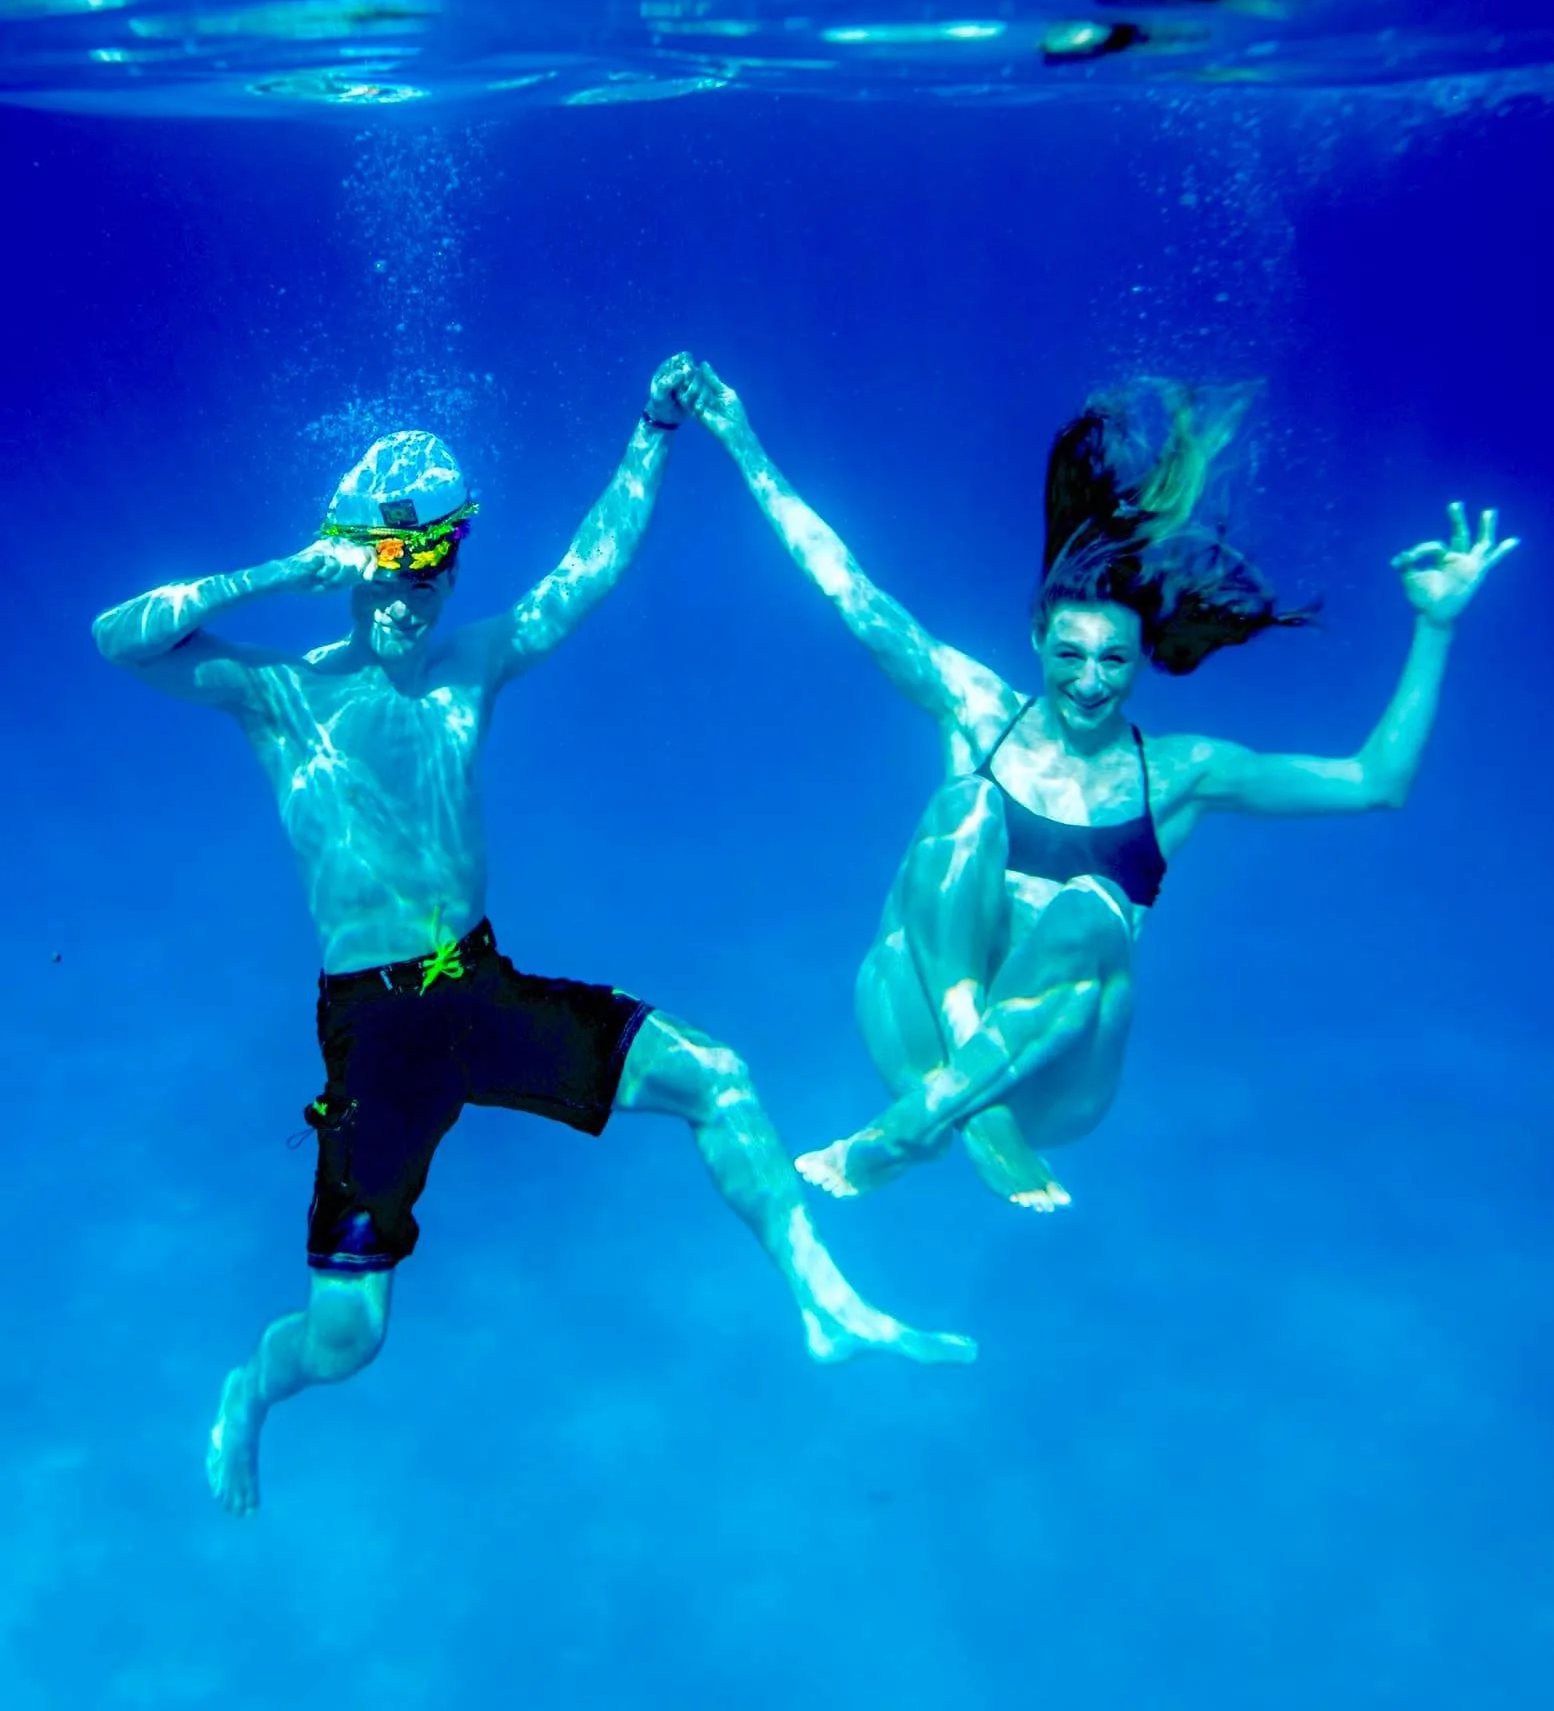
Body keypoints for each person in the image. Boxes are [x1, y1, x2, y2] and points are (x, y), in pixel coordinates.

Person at [93, 355, 974, 1520]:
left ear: (455, 566)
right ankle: (250, 1392)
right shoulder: (281, 689)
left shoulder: (474, 661)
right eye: (385, 572)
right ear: (352, 574)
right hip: (373, 1027)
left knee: (718, 1074)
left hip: (477, 977)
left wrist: (653, 432)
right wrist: (295, 566)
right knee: (349, 1340)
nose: (409, 598)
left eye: (432, 568)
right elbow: (119, 637)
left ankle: (821, 1300)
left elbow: (588, 570)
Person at [679, 364, 1516, 1209]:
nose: (1088, 681)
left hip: (1058, 1082)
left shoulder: (1183, 774)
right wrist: (741, 440)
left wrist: (1435, 625)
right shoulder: (977, 709)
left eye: (1113, 660)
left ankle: (922, 1123)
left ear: (1141, 661)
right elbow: (844, 585)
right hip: (919, 1025)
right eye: (1070, 655)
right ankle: (967, 1101)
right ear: (1038, 639)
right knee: (964, 807)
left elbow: (1375, 782)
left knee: (1092, 908)